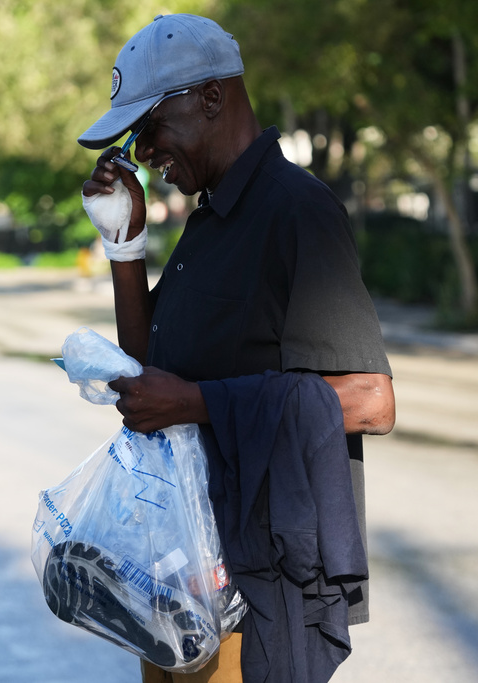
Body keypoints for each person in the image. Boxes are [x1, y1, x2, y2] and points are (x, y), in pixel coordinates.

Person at [77, 13, 395, 683]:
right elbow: (152, 373)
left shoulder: (296, 211)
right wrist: (125, 246)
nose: (144, 152)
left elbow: (372, 398)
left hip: (255, 589)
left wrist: (196, 401)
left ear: (212, 97)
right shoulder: (212, 217)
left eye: (150, 128)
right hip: (180, 573)